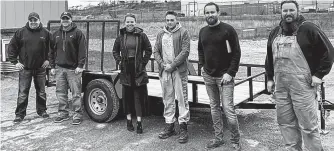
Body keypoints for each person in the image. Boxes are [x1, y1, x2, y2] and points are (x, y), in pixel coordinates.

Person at [265, 1, 334, 151]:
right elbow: (269, 57)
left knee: (308, 125)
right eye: (285, 10)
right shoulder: (275, 32)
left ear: (298, 11)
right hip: (281, 87)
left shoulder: (309, 29)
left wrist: (319, 74)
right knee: (285, 122)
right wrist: (269, 78)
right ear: (281, 12)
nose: (288, 13)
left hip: (303, 86)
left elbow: (328, 51)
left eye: (291, 10)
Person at [198, 2, 241, 150]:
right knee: (214, 108)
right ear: (204, 15)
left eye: (212, 12)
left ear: (218, 12)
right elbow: (201, 51)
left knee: (228, 110)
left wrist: (230, 73)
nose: (210, 15)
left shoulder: (228, 30)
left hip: (225, 78)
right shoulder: (202, 31)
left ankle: (235, 140)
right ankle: (218, 138)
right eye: (207, 13)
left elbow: (236, 53)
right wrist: (202, 67)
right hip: (209, 76)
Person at [154, 10, 190, 144]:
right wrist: (163, 64)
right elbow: (156, 50)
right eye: (167, 20)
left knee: (182, 99)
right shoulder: (161, 33)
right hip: (165, 71)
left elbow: (185, 51)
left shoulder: (183, 32)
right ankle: (169, 125)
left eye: (172, 20)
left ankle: (183, 127)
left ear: (176, 20)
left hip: (178, 70)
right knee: (167, 98)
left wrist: (173, 65)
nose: (169, 22)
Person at [8, 12, 51, 124]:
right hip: (25, 69)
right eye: (31, 20)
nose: (33, 22)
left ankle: (42, 111)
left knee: (41, 91)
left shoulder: (46, 33)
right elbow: (12, 47)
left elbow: (53, 47)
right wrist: (14, 62)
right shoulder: (20, 32)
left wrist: (48, 60)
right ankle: (20, 114)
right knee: (23, 92)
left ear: (39, 20)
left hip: (40, 68)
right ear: (28, 21)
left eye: (35, 20)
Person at [112, 13, 152, 134]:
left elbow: (149, 50)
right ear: (125, 23)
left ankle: (139, 122)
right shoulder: (121, 36)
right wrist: (119, 61)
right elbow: (115, 51)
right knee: (127, 96)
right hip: (125, 69)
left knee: (137, 97)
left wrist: (143, 63)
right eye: (128, 22)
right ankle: (129, 120)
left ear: (135, 22)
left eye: (132, 22)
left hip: (138, 69)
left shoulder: (141, 35)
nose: (130, 24)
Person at [49, 12, 87, 125]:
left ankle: (77, 114)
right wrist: (52, 67)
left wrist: (80, 66)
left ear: (71, 20)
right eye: (63, 18)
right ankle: (63, 113)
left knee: (76, 93)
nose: (65, 20)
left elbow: (82, 50)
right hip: (59, 68)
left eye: (67, 18)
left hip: (73, 69)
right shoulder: (55, 34)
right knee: (60, 92)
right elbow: (51, 52)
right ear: (60, 20)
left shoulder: (78, 33)